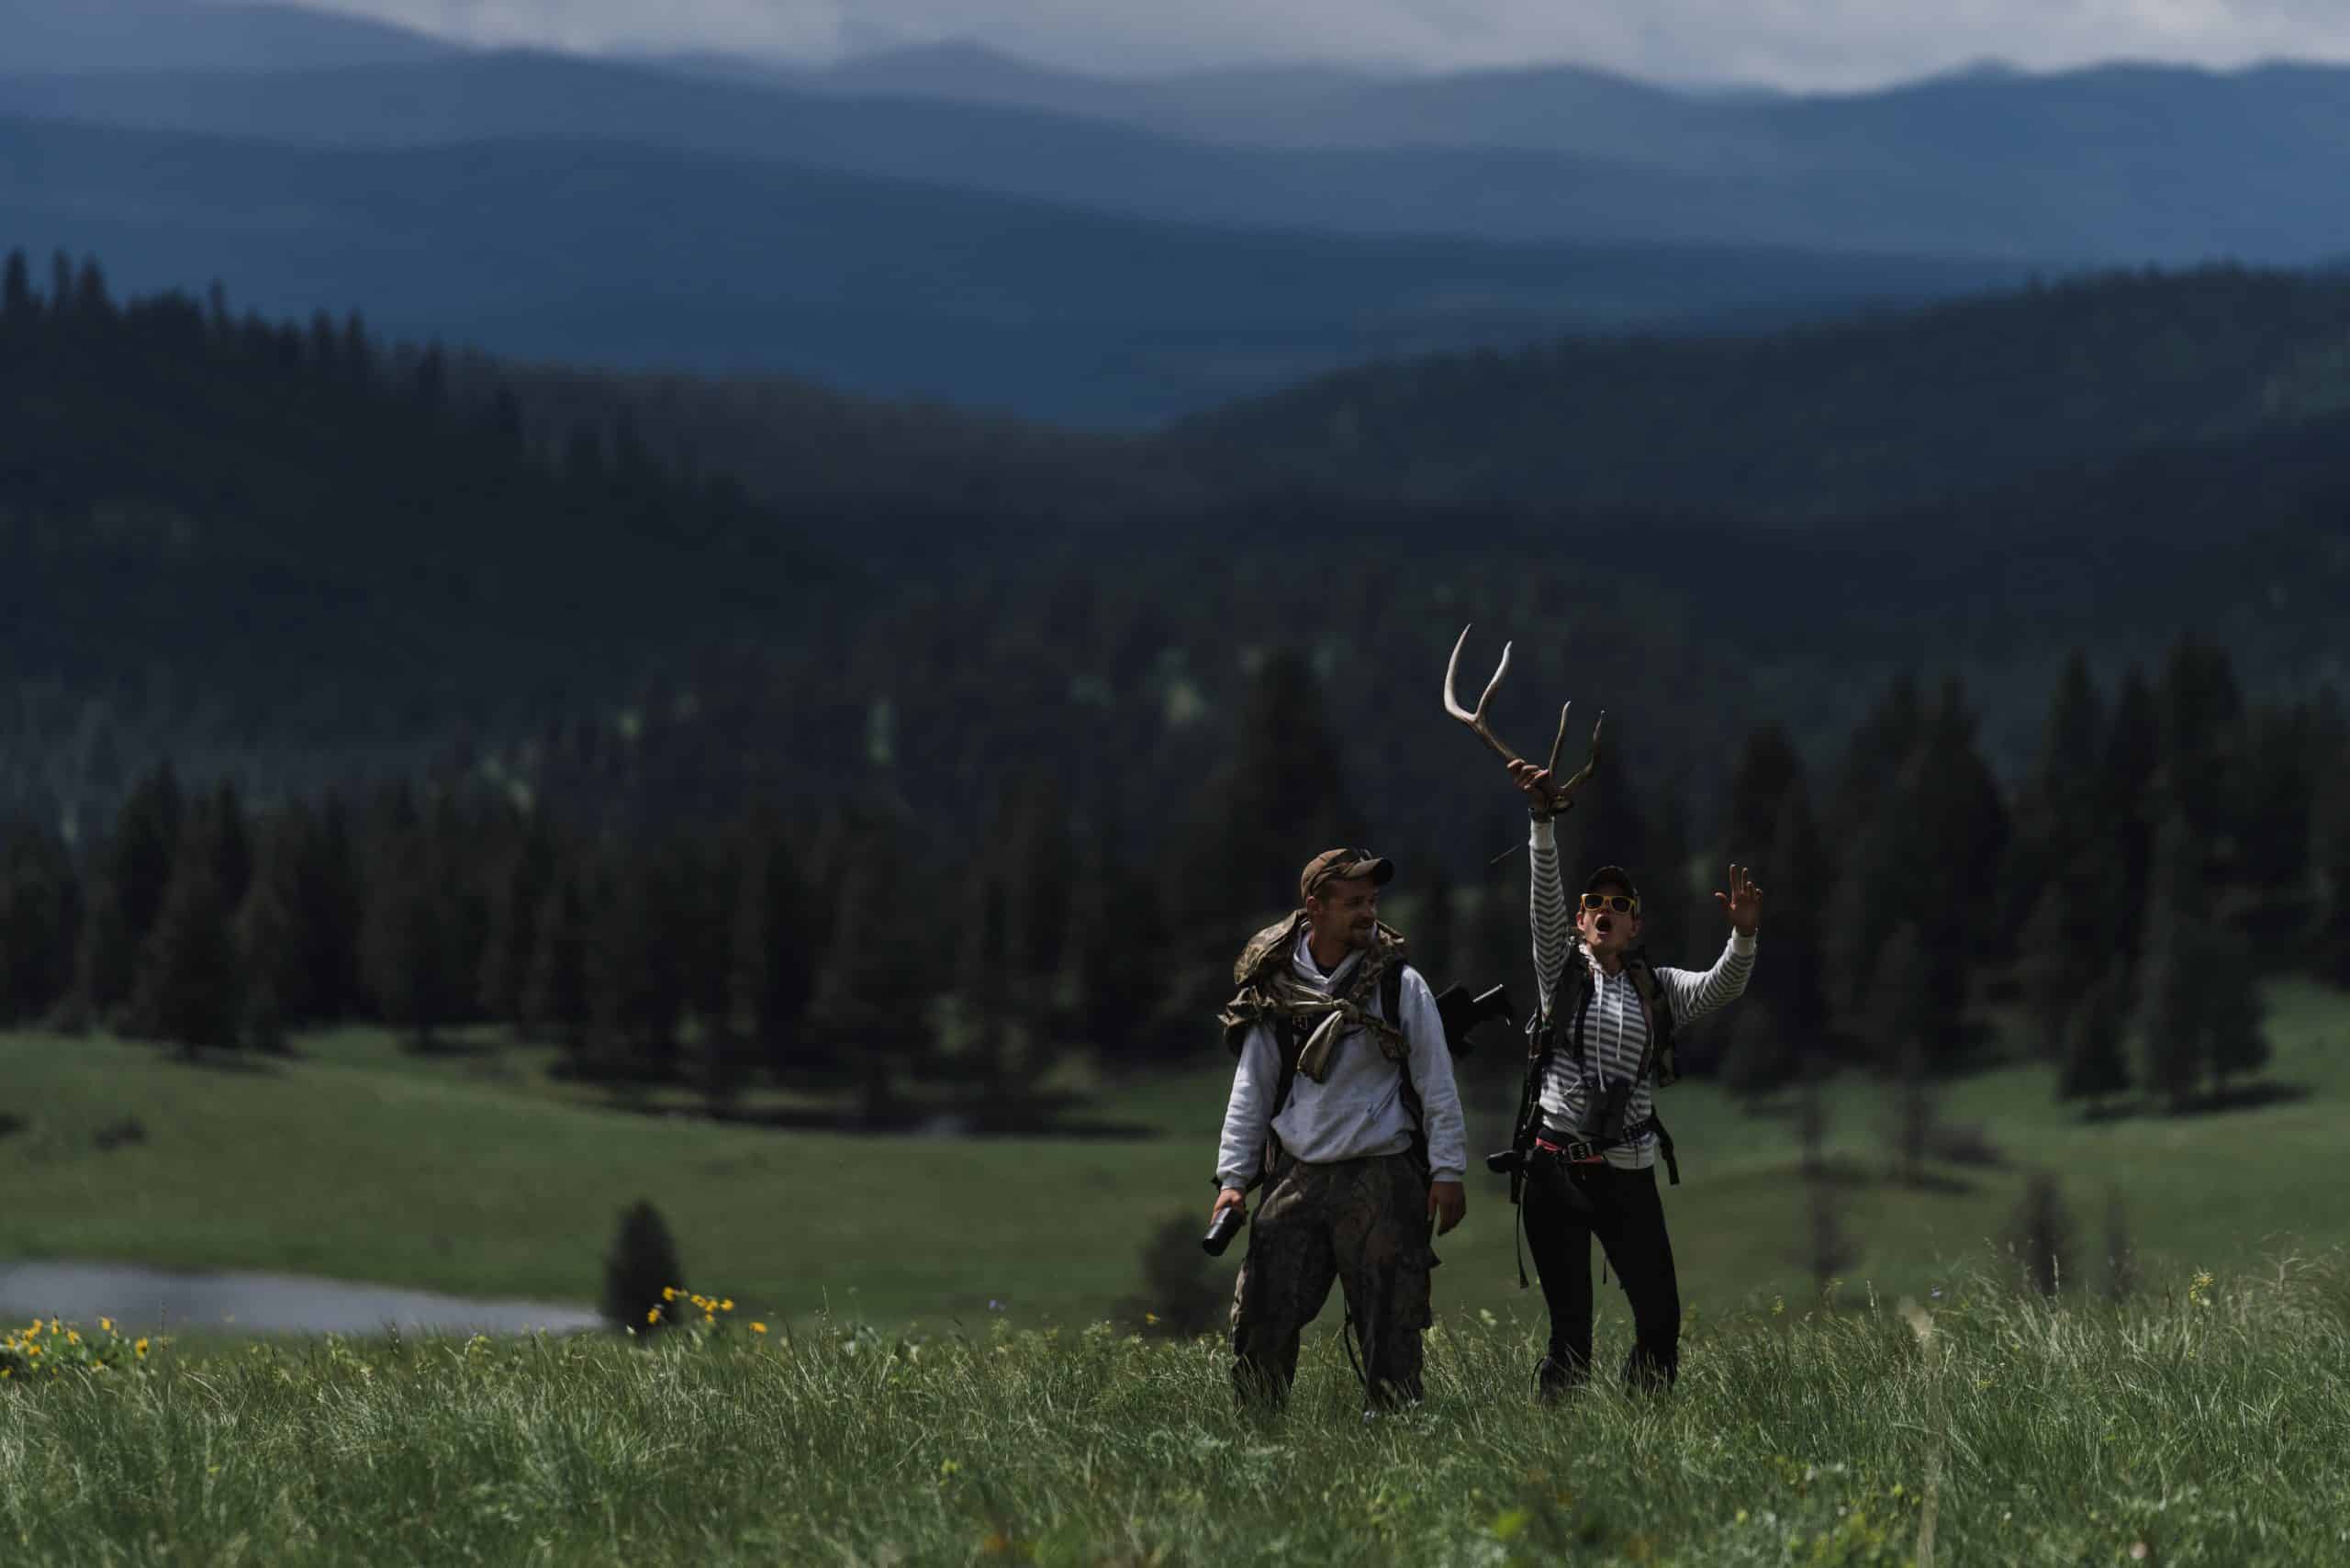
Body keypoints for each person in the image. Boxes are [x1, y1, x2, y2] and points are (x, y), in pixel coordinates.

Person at [1504, 756, 1762, 1399]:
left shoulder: (1660, 987)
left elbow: (1723, 987)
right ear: (1581, 919)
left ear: (1636, 924)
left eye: (1620, 905)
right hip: (1556, 1167)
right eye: (1595, 903)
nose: (1605, 911)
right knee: (1571, 1334)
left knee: (1661, 1320)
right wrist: (1542, 822)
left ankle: (1643, 1436)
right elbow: (1543, 899)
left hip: (1630, 1169)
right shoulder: (1558, 969)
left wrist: (1744, 937)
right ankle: (1555, 1453)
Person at [1210, 846, 1470, 1412]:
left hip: (1382, 1172)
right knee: (1262, 1310)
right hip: (1297, 1172)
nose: (1367, 914)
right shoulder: (1276, 992)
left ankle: (1398, 1436)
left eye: (1372, 901)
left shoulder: (1401, 986)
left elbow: (1436, 1083)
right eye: (1352, 903)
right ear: (1315, 908)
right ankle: (1259, 1437)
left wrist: (1448, 1169)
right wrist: (1233, 1179)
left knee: (1392, 1318)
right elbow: (1251, 1090)